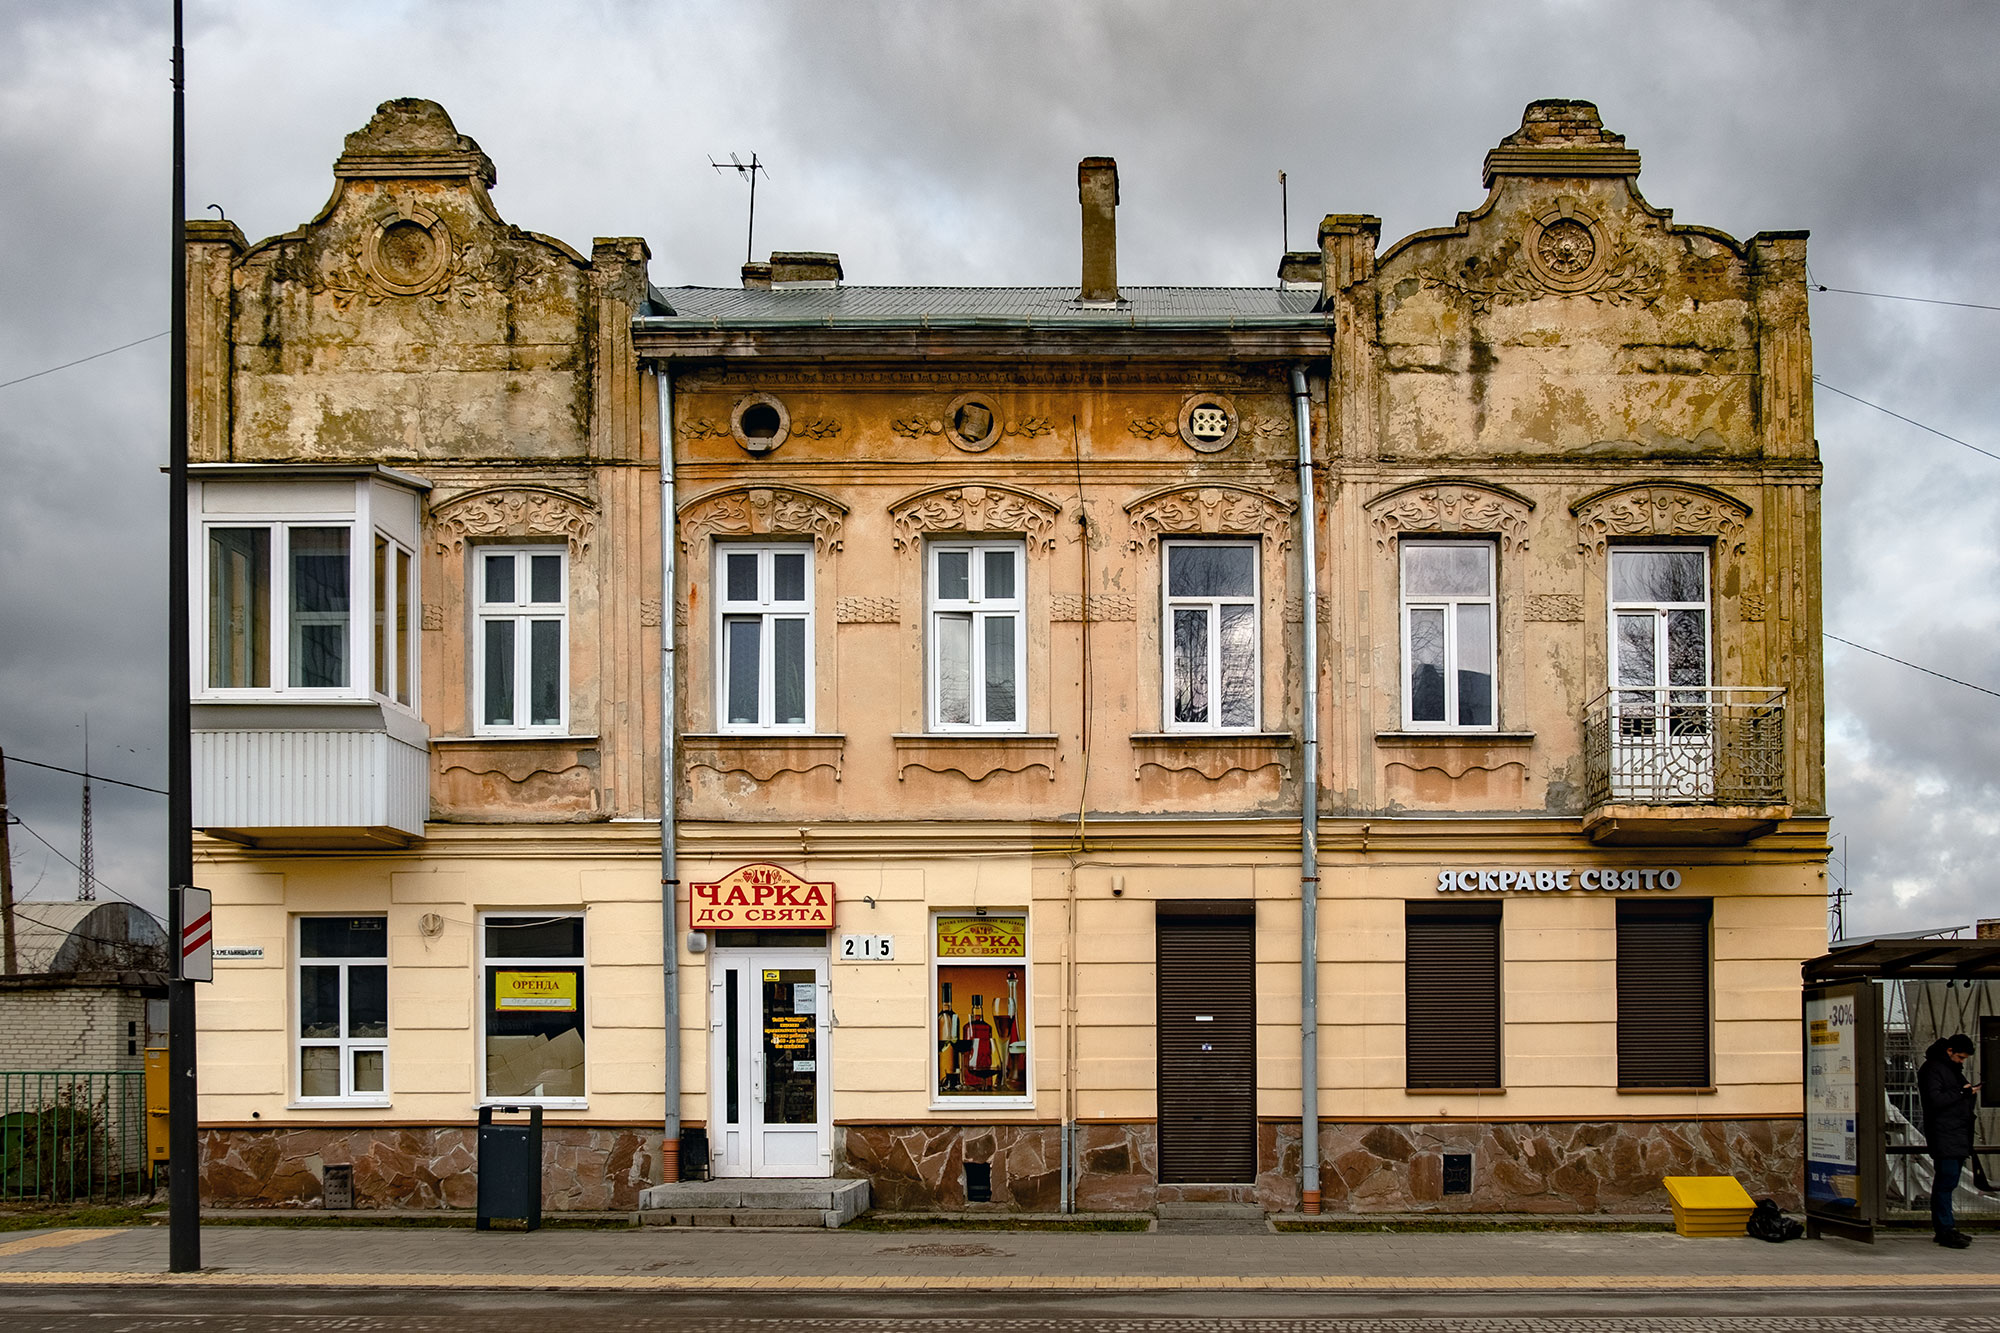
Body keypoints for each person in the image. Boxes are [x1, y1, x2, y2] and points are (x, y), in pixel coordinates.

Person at [1918, 1033, 1982, 1248]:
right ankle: (1945, 1228)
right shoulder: (1933, 1069)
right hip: (1945, 1133)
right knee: (1946, 1181)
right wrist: (1963, 1093)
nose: (1962, 1062)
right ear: (1949, 1051)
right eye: (1960, 1057)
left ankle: (1946, 1227)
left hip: (1955, 1133)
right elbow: (1935, 1100)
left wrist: (1966, 1092)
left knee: (1948, 1181)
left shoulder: (1950, 1069)